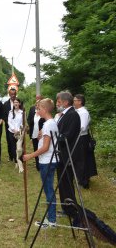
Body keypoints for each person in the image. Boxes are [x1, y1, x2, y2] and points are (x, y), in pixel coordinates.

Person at [23, 98, 59, 228]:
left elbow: (45, 147)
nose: (37, 110)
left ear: (44, 109)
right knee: (48, 189)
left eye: (38, 108)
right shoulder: (49, 123)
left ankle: (51, 221)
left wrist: (30, 156)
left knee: (48, 190)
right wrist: (41, 134)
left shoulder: (49, 124)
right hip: (50, 159)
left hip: (47, 161)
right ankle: (51, 218)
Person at [56, 91, 82, 221]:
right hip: (61, 154)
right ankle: (66, 207)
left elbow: (68, 135)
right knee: (62, 182)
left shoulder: (72, 115)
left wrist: (55, 137)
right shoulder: (64, 114)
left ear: (66, 102)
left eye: (59, 102)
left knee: (67, 182)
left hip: (68, 155)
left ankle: (72, 209)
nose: (57, 104)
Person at [73, 94, 97, 189]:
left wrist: (72, 130)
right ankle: (82, 178)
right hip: (80, 137)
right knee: (81, 159)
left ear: (80, 101)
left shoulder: (83, 112)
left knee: (82, 159)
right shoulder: (78, 111)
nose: (73, 102)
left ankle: (84, 181)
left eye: (75, 100)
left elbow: (82, 127)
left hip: (82, 138)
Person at [27, 96, 45, 171]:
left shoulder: (43, 113)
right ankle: (37, 165)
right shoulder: (33, 111)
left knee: (41, 149)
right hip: (34, 134)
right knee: (35, 149)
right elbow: (29, 121)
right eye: (36, 104)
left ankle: (42, 164)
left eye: (39, 104)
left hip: (41, 135)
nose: (37, 105)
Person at [7, 98, 24, 164]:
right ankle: (16, 161)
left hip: (20, 132)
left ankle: (20, 160)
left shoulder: (22, 112)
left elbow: (23, 122)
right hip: (12, 132)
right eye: (14, 102)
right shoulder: (10, 112)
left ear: (19, 103)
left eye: (17, 102)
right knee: (13, 147)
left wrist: (19, 130)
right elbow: (9, 122)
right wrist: (14, 129)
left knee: (19, 147)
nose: (15, 103)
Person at [3, 88, 17, 162]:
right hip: (8, 126)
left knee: (17, 141)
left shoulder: (19, 102)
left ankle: (17, 156)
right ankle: (11, 156)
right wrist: (9, 123)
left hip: (17, 126)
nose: (13, 95)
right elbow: (4, 115)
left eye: (14, 94)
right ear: (9, 94)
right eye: (11, 94)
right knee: (9, 141)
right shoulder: (5, 104)